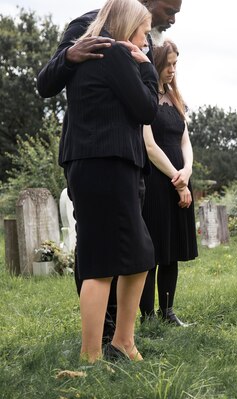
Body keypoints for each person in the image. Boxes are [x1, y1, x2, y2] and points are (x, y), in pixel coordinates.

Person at [36, 0, 183, 350]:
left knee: (134, 251)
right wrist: (69, 55)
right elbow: (45, 83)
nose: (173, 19)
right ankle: (100, 337)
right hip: (97, 154)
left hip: (128, 157)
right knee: (100, 253)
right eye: (171, 9)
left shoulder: (140, 41)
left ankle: (120, 339)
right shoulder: (88, 28)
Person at [61, 0, 159, 362]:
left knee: (137, 255)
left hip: (92, 165)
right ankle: (91, 355)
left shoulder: (89, 57)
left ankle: (121, 341)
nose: (146, 41)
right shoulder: (116, 54)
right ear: (130, 26)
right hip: (108, 165)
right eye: (145, 33)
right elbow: (147, 108)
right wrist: (147, 67)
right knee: (101, 262)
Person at [139, 39, 198, 326]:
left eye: (176, 64)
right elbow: (149, 146)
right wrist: (177, 178)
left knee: (172, 250)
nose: (173, 69)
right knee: (152, 251)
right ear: (156, 64)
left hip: (178, 180)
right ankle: (147, 316)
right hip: (155, 184)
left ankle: (168, 312)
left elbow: (185, 141)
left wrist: (186, 170)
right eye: (168, 64)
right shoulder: (146, 100)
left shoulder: (177, 101)